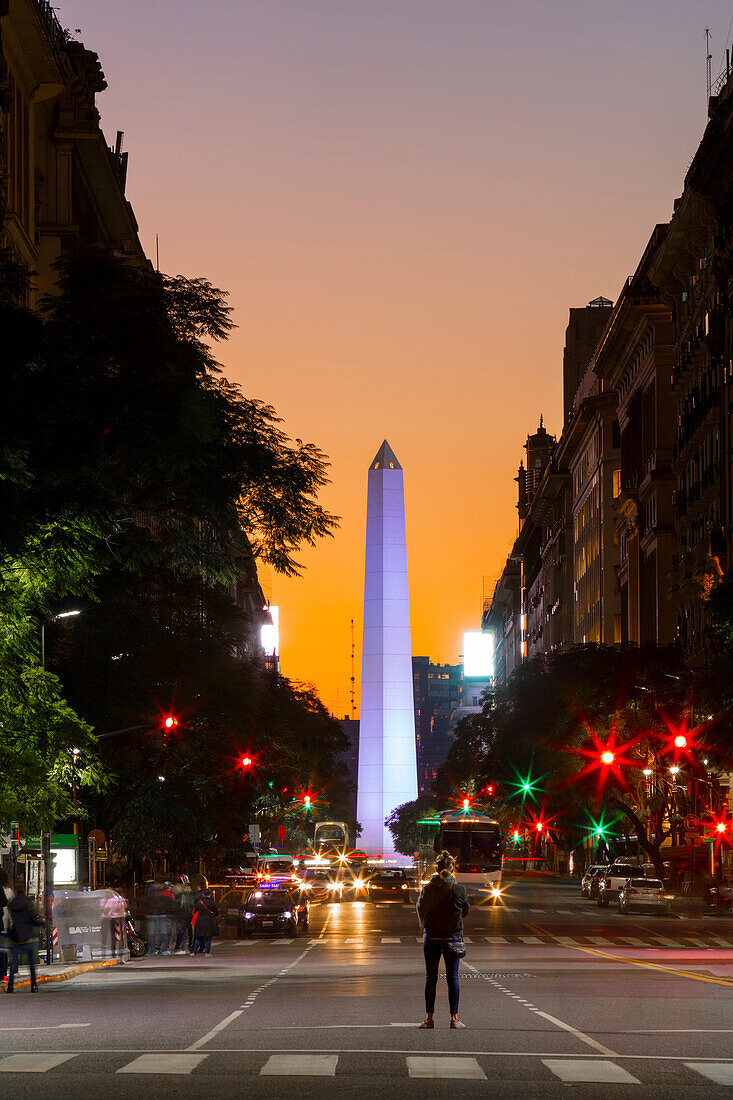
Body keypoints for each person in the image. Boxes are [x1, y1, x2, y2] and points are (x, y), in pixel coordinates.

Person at [416, 850, 470, 1029]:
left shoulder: (428, 888)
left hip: (432, 937)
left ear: (436, 868)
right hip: (453, 938)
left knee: (431, 978)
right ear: (452, 869)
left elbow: (421, 908)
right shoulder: (459, 890)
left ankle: (428, 1019)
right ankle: (454, 1018)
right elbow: (466, 911)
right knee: (452, 978)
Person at [6, 883, 42, 993]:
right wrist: (40, 923)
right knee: (31, 963)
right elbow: (33, 918)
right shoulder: (28, 903)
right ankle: (33, 985)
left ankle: (10, 985)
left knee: (14, 962)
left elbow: (10, 919)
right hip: (27, 936)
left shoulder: (11, 904)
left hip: (16, 936)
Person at [191, 889, 218, 957]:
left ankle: (194, 952)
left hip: (200, 921)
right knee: (208, 938)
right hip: (209, 921)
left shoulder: (199, 902)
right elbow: (216, 912)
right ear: (210, 894)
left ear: (203, 894)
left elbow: (195, 911)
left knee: (199, 937)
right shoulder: (211, 902)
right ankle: (207, 953)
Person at [0, 869, 13, 987]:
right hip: (4, 924)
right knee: (3, 951)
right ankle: (4, 975)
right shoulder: (8, 891)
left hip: (3, 923)